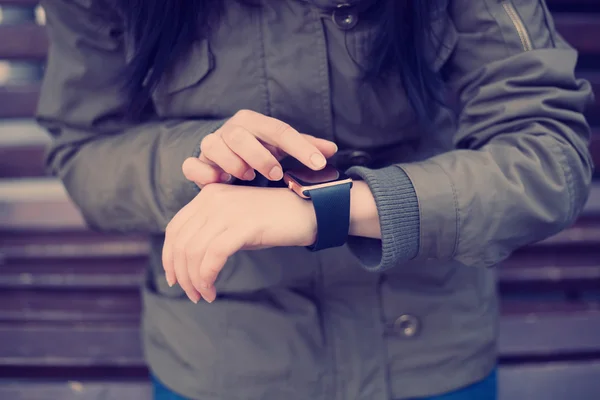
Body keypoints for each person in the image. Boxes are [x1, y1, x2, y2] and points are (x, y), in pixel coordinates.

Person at [37, 0, 593, 399]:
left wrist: (331, 208)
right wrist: (206, 160)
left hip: (429, 347)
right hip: (223, 358)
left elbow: (547, 155)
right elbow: (85, 152)